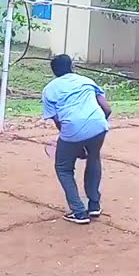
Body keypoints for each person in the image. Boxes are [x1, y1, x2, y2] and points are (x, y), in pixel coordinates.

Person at [41, 54, 112, 224]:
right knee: (94, 159)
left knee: (63, 168)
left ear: (54, 72)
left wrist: (72, 141)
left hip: (72, 128)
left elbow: (58, 120)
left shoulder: (49, 90)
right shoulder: (86, 80)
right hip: (98, 124)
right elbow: (107, 109)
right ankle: (94, 205)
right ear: (71, 66)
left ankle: (79, 212)